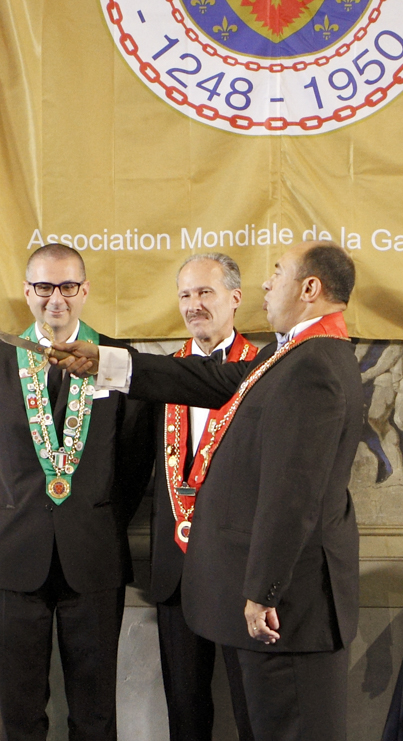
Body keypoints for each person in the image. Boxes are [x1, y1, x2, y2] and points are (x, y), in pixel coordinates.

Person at [57, 242, 364, 741]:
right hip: (272, 600)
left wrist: (261, 591)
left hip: (288, 608)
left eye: (278, 274)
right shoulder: (293, 354)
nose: (267, 284)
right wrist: (107, 363)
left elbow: (293, 496)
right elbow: (214, 380)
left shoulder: (313, 366)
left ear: (310, 288)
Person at [0, 243, 152, 741]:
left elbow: (135, 461)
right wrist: (18, 508)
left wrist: (99, 514)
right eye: (44, 287)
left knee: (95, 712)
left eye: (68, 286)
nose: (56, 299)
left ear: (85, 291)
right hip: (14, 555)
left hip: (93, 554)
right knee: (20, 711)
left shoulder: (118, 359)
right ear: (27, 292)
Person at [153, 254, 256, 741]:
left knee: (252, 706)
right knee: (185, 710)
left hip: (241, 570)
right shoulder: (160, 374)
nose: (194, 304)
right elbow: (133, 467)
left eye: (205, 293)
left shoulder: (264, 369)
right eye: (185, 295)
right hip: (176, 569)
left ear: (235, 299)